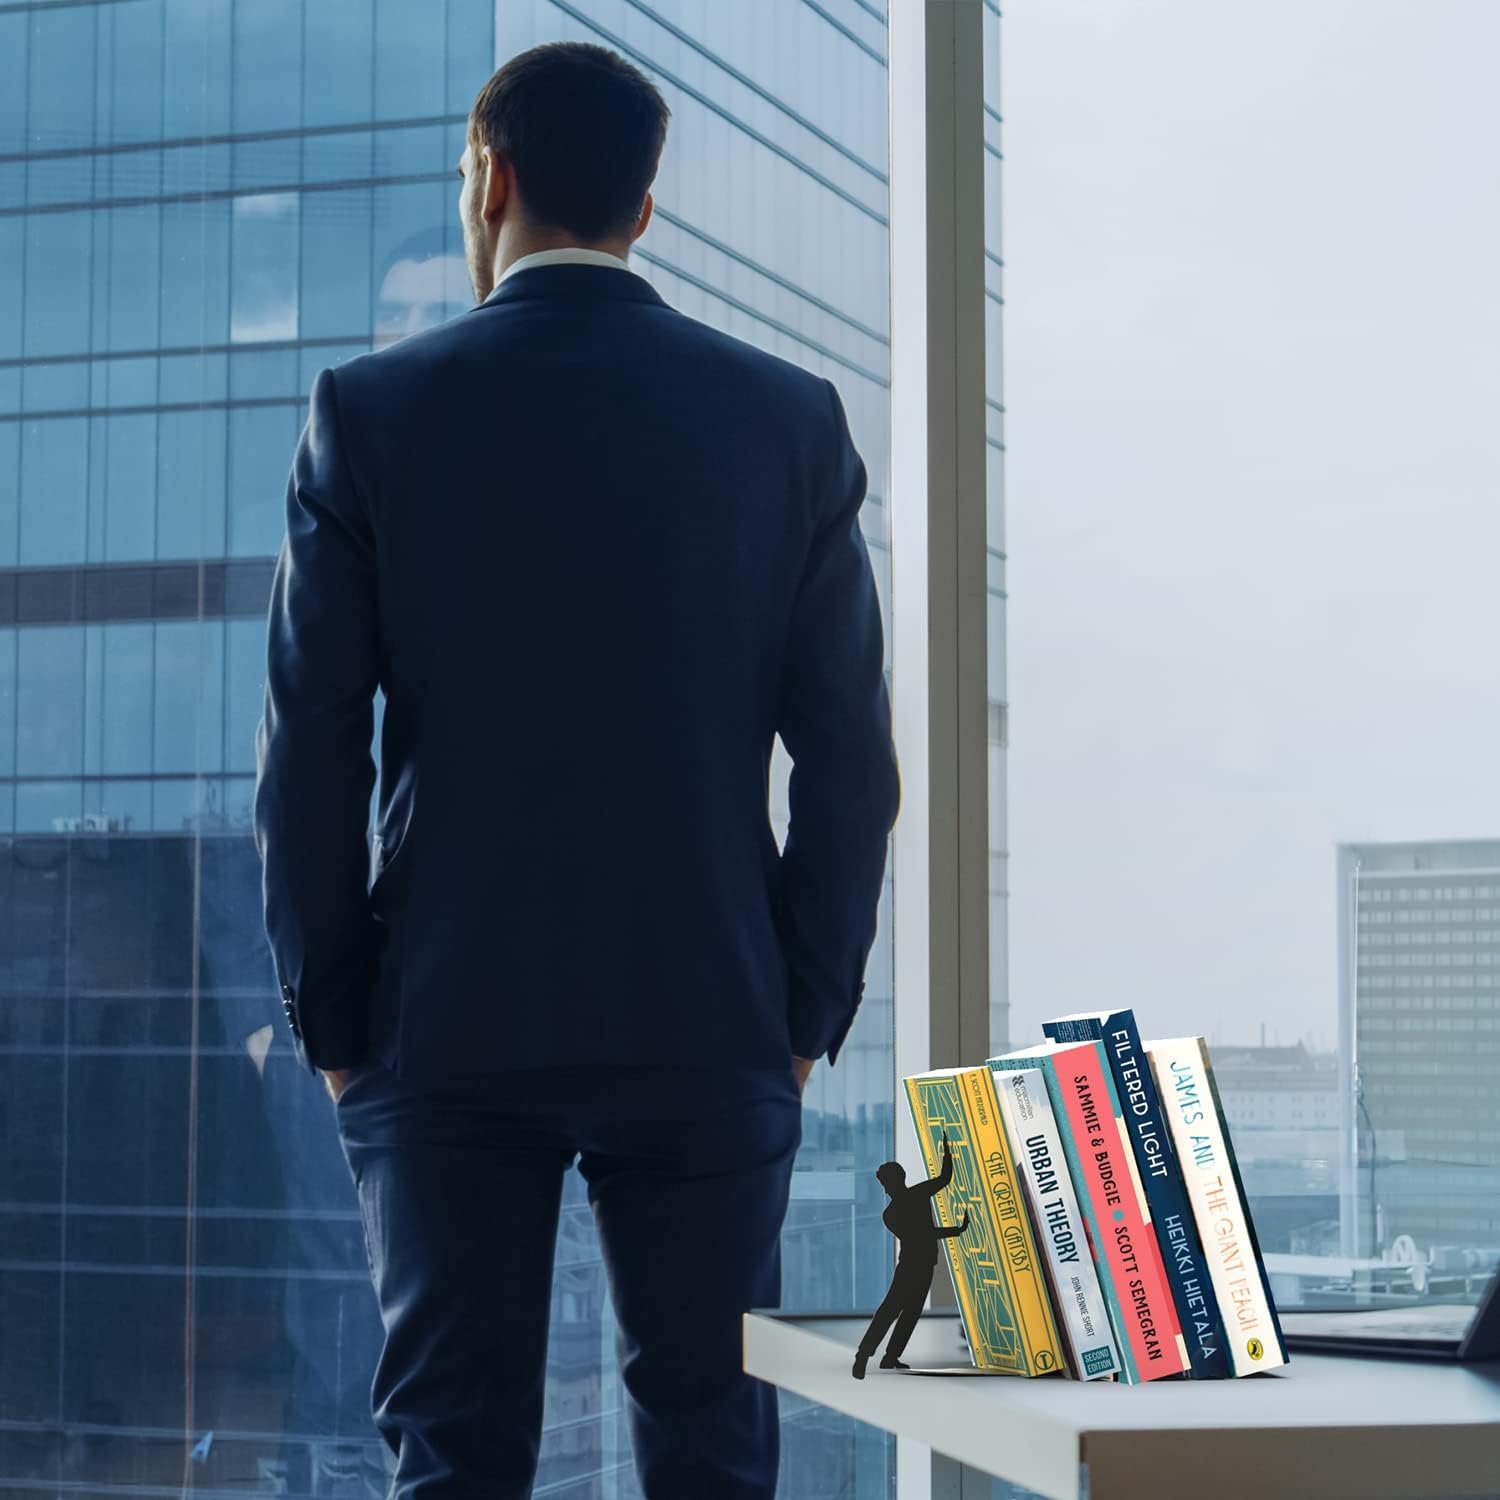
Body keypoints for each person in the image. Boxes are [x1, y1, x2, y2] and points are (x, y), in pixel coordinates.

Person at [253, 39, 899, 1500]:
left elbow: (309, 749)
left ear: (492, 178)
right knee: (708, 1442)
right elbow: (852, 763)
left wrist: (336, 1015)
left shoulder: (370, 415)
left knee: (456, 1448)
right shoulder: (789, 425)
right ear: (645, 211)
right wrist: (799, 1005)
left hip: (446, 1017)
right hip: (708, 1013)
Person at [853, 1133, 969, 1380]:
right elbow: (922, 1234)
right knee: (893, 1310)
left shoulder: (897, 1208)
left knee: (907, 1312)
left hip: (922, 1264)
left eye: (886, 1183)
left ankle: (888, 1357)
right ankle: (865, 1355)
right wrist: (955, 1230)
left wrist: (947, 1152)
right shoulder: (896, 1210)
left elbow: (944, 1179)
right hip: (912, 1266)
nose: (886, 1188)